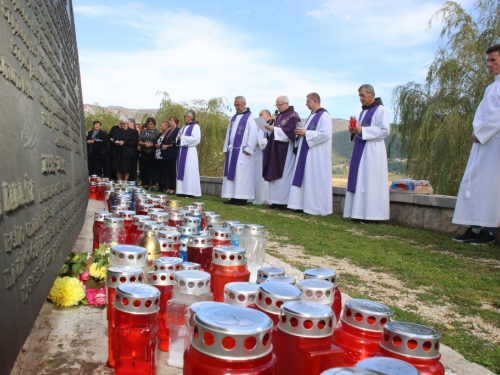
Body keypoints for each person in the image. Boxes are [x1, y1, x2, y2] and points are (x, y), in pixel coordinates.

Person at [452, 44, 500, 245]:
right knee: (475, 182)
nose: (488, 64)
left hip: (495, 142)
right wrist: (477, 131)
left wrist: (482, 132)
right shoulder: (491, 87)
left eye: (493, 60)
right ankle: (474, 226)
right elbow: (480, 113)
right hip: (483, 142)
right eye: (487, 60)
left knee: (491, 185)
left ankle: (488, 230)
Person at [344, 84, 390, 221]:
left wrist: (363, 131)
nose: (361, 98)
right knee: (360, 179)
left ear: (371, 94)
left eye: (362, 95)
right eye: (359, 96)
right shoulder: (363, 112)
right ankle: (359, 213)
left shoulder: (380, 110)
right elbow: (360, 130)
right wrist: (354, 131)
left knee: (371, 180)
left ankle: (373, 214)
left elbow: (384, 130)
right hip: (360, 149)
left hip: (373, 152)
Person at [288, 93, 332, 215]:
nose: (306, 104)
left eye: (308, 101)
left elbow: (325, 134)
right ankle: (302, 205)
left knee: (314, 179)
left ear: (315, 101)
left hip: (316, 154)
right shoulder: (312, 116)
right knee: (306, 178)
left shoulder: (324, 116)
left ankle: (315, 208)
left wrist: (306, 133)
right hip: (307, 152)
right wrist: (300, 133)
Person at [262, 95, 299, 209]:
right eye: (276, 105)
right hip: (275, 148)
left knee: (284, 176)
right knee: (274, 174)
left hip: (285, 149)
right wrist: (271, 125)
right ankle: (274, 200)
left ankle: (283, 202)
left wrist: (275, 130)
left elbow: (292, 132)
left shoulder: (293, 115)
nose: (278, 107)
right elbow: (274, 131)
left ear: (286, 104)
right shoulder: (279, 116)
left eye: (280, 104)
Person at [221, 96, 258, 206]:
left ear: (244, 104)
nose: (236, 107)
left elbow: (253, 134)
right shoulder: (233, 118)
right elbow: (229, 133)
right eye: (235, 105)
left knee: (242, 175)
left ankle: (242, 198)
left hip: (242, 152)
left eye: (238, 105)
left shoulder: (250, 117)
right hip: (232, 151)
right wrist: (225, 148)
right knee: (232, 174)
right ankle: (232, 196)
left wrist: (249, 148)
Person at [176, 110, 201, 197]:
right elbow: (178, 137)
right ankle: (182, 191)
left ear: (190, 117)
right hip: (182, 151)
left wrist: (182, 138)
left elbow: (196, 139)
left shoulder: (195, 127)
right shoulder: (183, 127)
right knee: (183, 171)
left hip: (190, 152)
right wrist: (178, 139)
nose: (184, 118)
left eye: (185, 116)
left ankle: (191, 192)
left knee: (189, 171)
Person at [155, 117, 180, 194]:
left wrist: (168, 146)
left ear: (175, 122)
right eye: (170, 120)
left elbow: (176, 143)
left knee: (172, 171)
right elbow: (164, 140)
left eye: (171, 120)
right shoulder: (169, 131)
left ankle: (173, 188)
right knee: (167, 171)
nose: (170, 122)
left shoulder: (177, 130)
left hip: (173, 153)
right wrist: (162, 145)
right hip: (166, 154)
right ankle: (168, 187)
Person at [253, 110, 271, 205]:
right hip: (258, 154)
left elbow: (269, 140)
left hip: (266, 154)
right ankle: (258, 197)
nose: (259, 116)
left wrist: (258, 143)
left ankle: (265, 199)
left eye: (261, 114)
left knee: (264, 178)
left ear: (267, 116)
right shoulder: (260, 128)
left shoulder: (270, 126)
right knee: (258, 176)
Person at [138, 117, 160, 190]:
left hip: (152, 151)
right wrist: (144, 144)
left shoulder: (156, 132)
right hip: (144, 151)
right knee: (145, 168)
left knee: (153, 168)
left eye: (151, 124)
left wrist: (152, 144)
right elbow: (139, 141)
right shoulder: (144, 131)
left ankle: (153, 184)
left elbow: (158, 142)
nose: (150, 126)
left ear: (154, 124)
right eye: (149, 124)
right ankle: (146, 184)